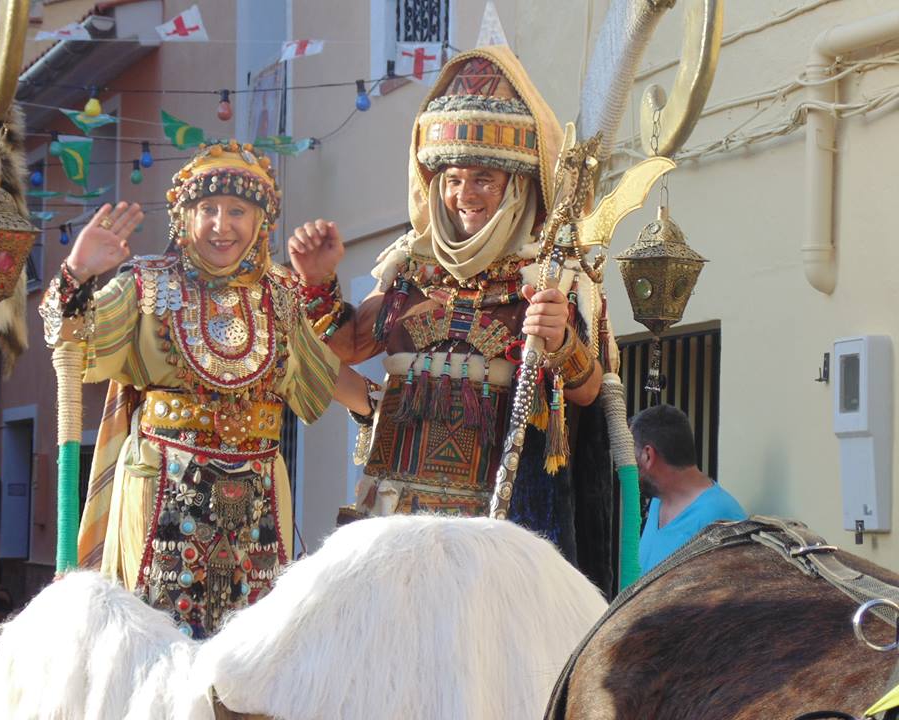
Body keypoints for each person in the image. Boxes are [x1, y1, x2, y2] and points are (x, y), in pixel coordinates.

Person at [287, 46, 617, 566]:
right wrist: (316, 280)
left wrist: (561, 341)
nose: (466, 195)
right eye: (453, 179)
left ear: (518, 185)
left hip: (503, 521)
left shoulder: (554, 275)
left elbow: (589, 390)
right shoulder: (408, 268)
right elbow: (344, 349)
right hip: (396, 516)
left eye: (485, 178)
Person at [40, 140, 374, 638]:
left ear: (260, 223)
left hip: (258, 493)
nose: (222, 225)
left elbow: (320, 373)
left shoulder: (279, 295)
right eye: (207, 210)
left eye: (237, 210)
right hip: (164, 488)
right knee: (157, 638)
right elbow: (73, 342)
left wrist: (381, 409)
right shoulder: (147, 283)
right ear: (184, 219)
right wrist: (78, 273)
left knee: (254, 644)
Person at [631, 404, 747, 574]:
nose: (625, 467)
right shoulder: (659, 500)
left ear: (648, 455)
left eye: (631, 455)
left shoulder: (720, 518)